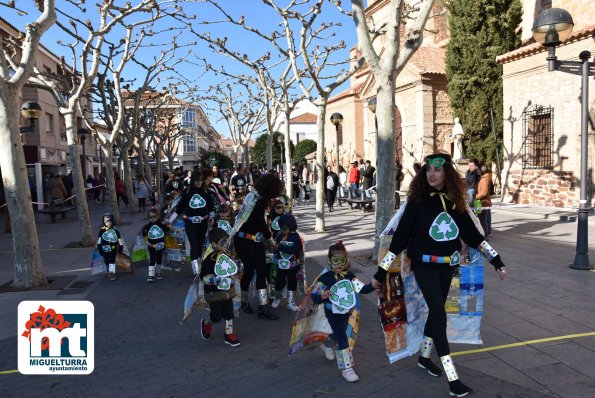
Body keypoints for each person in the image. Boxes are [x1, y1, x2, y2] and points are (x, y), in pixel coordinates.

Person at [373, 153, 507, 397]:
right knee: (438, 315)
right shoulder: (417, 202)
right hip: (424, 267)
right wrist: (382, 271)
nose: (431, 175)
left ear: (447, 174)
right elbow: (400, 239)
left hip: (447, 267)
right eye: (428, 171)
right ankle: (452, 377)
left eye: (437, 170)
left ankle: (424, 357)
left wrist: (495, 259)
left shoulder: (455, 202)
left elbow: (473, 236)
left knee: (435, 314)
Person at [311, 241, 374, 382]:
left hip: (346, 313)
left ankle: (326, 343)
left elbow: (362, 289)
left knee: (337, 334)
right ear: (329, 261)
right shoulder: (325, 278)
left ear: (346, 261)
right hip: (331, 313)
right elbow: (314, 294)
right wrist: (322, 295)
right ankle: (347, 368)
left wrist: (374, 285)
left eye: (342, 260)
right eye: (335, 260)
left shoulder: (349, 276)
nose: (339, 263)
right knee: (342, 338)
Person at [232, 174, 284, 319]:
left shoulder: (254, 196)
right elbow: (259, 222)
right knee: (249, 269)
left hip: (254, 240)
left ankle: (263, 307)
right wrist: (272, 241)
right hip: (243, 240)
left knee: (261, 270)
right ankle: (243, 301)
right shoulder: (256, 199)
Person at [199, 227, 241, 347]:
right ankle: (206, 323)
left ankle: (229, 335)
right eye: (223, 242)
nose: (226, 244)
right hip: (214, 293)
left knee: (229, 313)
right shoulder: (209, 258)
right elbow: (202, 277)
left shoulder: (227, 254)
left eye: (226, 241)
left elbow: (232, 268)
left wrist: (238, 270)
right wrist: (215, 280)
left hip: (227, 290)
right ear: (214, 244)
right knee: (216, 317)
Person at [171, 171, 214, 276]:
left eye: (200, 180)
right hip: (190, 222)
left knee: (200, 245)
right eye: (196, 180)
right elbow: (179, 207)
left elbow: (211, 207)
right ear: (193, 181)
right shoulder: (187, 192)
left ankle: (199, 266)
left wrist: (212, 218)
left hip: (203, 222)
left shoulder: (206, 191)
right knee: (194, 245)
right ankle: (195, 270)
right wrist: (170, 219)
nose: (199, 183)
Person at [271, 214, 303, 312]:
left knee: (292, 282)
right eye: (281, 228)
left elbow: (295, 249)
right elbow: (275, 246)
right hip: (281, 265)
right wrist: (274, 247)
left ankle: (291, 302)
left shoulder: (296, 236)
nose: (282, 230)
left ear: (291, 225)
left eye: (284, 228)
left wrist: (280, 247)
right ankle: (277, 298)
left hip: (292, 266)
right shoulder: (280, 235)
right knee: (279, 281)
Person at [141, 208, 168, 283]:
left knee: (159, 259)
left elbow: (167, 232)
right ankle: (151, 275)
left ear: (158, 216)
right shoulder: (147, 226)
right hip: (151, 245)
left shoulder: (162, 225)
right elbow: (144, 234)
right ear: (148, 217)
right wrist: (142, 232)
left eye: (154, 217)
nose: (152, 219)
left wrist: (168, 226)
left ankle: (158, 272)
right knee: (152, 259)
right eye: (151, 217)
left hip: (160, 245)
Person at [96, 213, 124, 281]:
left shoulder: (115, 231)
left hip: (113, 248)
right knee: (106, 260)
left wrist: (120, 248)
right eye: (106, 221)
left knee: (112, 260)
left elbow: (119, 240)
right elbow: (99, 241)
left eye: (110, 221)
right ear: (104, 222)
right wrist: (99, 249)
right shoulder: (102, 231)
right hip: (104, 249)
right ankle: (109, 270)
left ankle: (112, 274)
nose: (109, 223)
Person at [475, 163, 493, 238]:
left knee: (483, 220)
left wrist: (476, 196)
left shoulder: (485, 179)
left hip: (483, 202)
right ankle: (484, 235)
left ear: (481, 170)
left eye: (478, 170)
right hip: (481, 202)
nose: (477, 171)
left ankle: (484, 236)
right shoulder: (483, 178)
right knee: (482, 219)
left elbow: (484, 192)